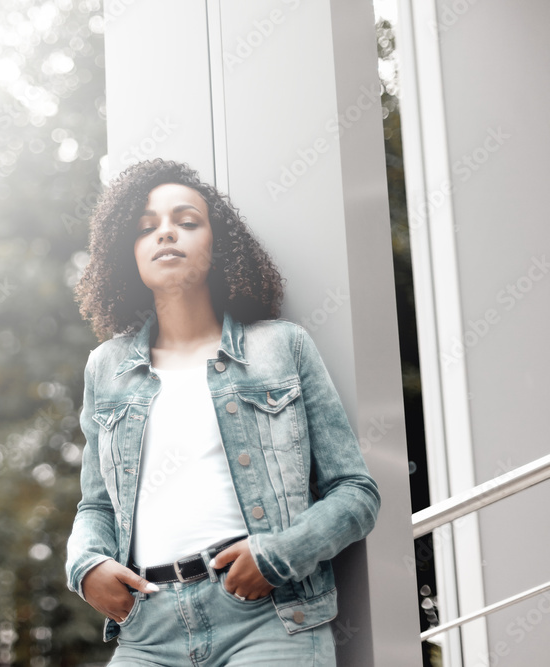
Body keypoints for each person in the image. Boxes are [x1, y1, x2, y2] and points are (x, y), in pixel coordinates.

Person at [65, 159, 381, 665]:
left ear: (219, 246)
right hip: (148, 628)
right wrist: (85, 567)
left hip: (268, 616)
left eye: (187, 221)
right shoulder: (106, 368)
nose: (166, 232)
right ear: (130, 254)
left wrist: (278, 556)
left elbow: (356, 493)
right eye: (147, 227)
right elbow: (97, 506)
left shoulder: (281, 346)